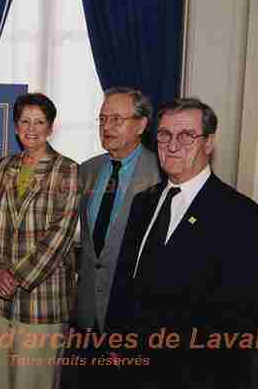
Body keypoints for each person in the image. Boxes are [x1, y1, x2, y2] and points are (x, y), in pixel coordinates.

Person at [107, 98, 258, 388]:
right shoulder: (143, 203)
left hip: (197, 375)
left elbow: (239, 319)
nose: (172, 145)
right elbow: (124, 279)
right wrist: (116, 340)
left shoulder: (242, 216)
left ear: (208, 143)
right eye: (165, 135)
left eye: (186, 136)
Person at [0, 93, 80, 389]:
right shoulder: (0, 167)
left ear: (51, 128)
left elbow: (59, 236)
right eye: (25, 121)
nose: (31, 129)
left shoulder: (67, 170)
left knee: (33, 382)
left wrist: (17, 276)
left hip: (43, 299)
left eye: (39, 122)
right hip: (1, 295)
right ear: (15, 126)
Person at [75, 87, 161, 334]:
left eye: (116, 120)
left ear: (141, 125)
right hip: (86, 316)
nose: (106, 126)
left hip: (132, 317)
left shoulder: (160, 175)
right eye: (102, 119)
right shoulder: (87, 170)